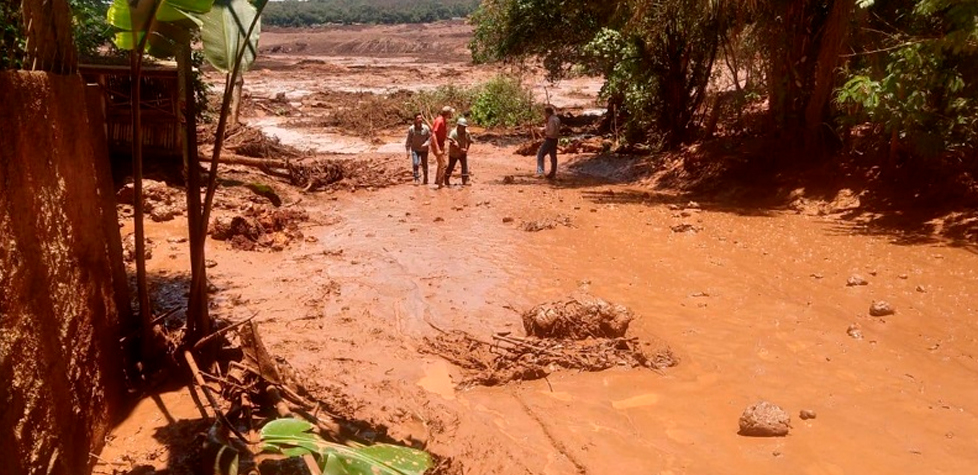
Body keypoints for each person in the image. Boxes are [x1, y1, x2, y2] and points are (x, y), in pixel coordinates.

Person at [445, 117, 472, 186]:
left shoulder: (467, 133)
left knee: (464, 166)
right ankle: (446, 179)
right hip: (453, 153)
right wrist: (458, 147)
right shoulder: (453, 133)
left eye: (464, 127)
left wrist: (466, 149)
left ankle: (465, 181)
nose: (463, 129)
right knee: (451, 166)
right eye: (462, 127)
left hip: (462, 153)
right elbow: (451, 142)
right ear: (458, 126)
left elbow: (469, 141)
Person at [404, 113, 431, 184]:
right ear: (415, 120)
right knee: (415, 163)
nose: (420, 120)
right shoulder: (411, 129)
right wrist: (407, 150)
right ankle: (416, 178)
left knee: (425, 164)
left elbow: (430, 138)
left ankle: (426, 178)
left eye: (421, 118)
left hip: (424, 150)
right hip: (415, 149)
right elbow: (408, 140)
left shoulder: (426, 128)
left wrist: (427, 143)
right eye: (418, 118)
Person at [430, 106, 453, 189]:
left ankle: (437, 180)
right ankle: (440, 184)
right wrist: (438, 149)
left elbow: (440, 133)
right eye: (451, 113)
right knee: (443, 164)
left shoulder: (443, 120)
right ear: (448, 113)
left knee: (440, 164)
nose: (452, 114)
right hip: (437, 145)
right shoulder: (439, 121)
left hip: (441, 144)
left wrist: (447, 137)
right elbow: (434, 134)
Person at [535, 105, 561, 179]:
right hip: (555, 139)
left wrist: (545, 132)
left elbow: (552, 131)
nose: (545, 115)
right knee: (553, 156)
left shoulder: (551, 120)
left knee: (540, 153)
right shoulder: (556, 119)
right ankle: (553, 173)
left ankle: (540, 172)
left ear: (548, 113)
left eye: (545, 113)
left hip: (550, 139)